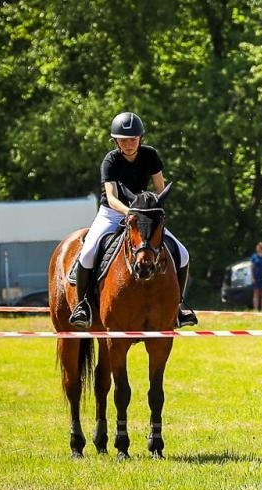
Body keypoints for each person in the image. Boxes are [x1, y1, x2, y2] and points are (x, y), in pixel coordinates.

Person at [68, 111, 197, 329]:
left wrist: (152, 211)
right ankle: (83, 306)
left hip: (144, 215)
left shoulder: (150, 155)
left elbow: (159, 189)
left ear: (140, 138)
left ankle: (178, 307)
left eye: (133, 139)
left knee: (182, 253)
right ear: (116, 141)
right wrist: (131, 213)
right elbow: (111, 197)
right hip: (112, 213)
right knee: (88, 252)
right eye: (123, 140)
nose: (128, 144)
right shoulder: (110, 160)